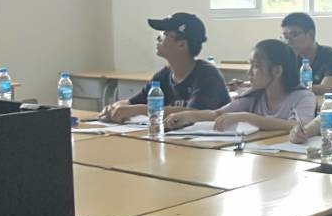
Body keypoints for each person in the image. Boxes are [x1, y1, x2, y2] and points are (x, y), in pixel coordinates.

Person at [100, 13, 230, 122]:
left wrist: (138, 110)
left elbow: (193, 113)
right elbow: (131, 103)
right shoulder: (164, 75)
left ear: (181, 44)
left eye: (165, 33)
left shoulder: (207, 75)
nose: (158, 37)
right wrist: (115, 107)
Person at [164, 39, 316, 133]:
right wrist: (187, 116)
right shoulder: (254, 95)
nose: (249, 73)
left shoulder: (303, 96)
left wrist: (247, 117)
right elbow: (217, 114)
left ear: (277, 71)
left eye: (256, 66)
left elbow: (299, 125)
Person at [281, 12, 332, 96]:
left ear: (311, 34)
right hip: (304, 102)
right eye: (285, 37)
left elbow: (326, 88)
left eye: (294, 35)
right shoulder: (291, 58)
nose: (288, 41)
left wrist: (290, 88)